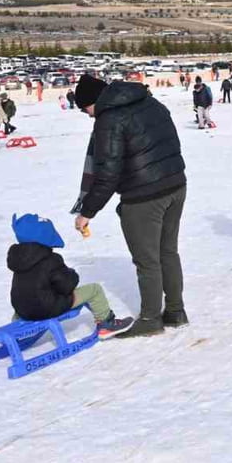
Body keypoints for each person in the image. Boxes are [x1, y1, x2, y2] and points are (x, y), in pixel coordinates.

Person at [71, 73, 187, 338]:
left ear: (94, 101)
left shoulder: (109, 119)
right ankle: (176, 312)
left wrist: (87, 212)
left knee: (147, 261)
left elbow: (108, 173)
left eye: (84, 108)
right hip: (176, 184)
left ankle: (150, 319)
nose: (88, 115)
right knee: (168, 252)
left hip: (144, 197)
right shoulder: (150, 101)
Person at [7, 213, 133, 337]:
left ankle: (16, 330)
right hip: (47, 308)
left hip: (22, 310)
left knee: (27, 297)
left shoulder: (18, 259)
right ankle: (107, 323)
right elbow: (66, 286)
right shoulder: (51, 259)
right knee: (95, 290)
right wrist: (72, 274)